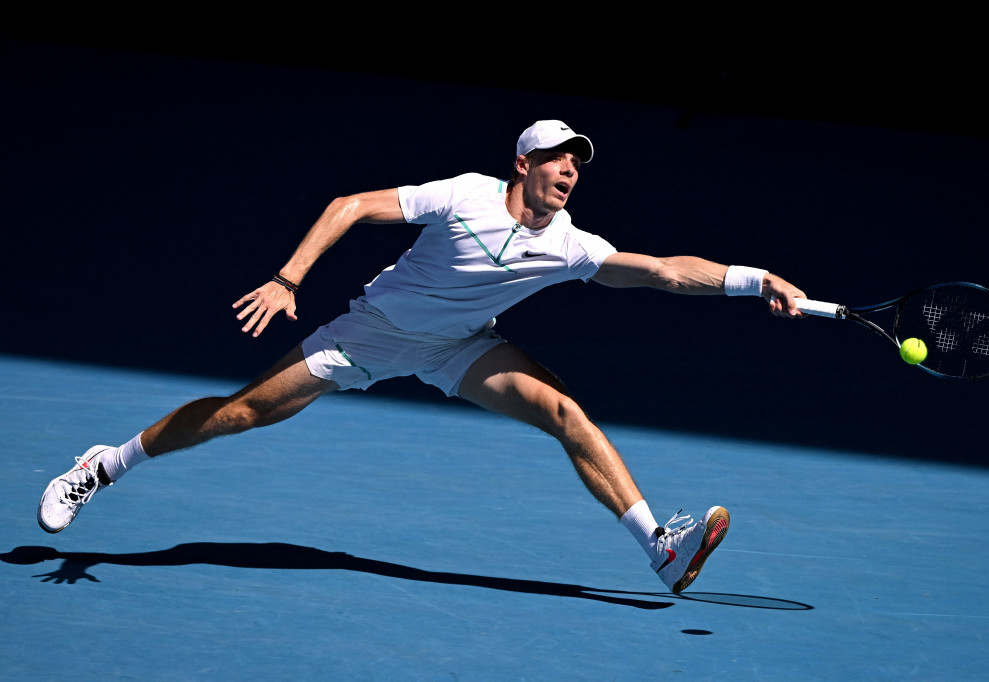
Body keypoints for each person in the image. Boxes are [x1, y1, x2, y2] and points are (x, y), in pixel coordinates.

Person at [38, 120, 806, 594]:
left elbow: (666, 270)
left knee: (564, 412)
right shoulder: (465, 193)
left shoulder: (571, 245)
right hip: (370, 334)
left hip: (458, 349)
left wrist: (755, 279)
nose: (570, 171)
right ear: (522, 164)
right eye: (557, 159)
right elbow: (350, 206)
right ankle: (104, 466)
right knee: (242, 412)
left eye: (578, 163)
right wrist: (287, 278)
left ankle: (661, 553)